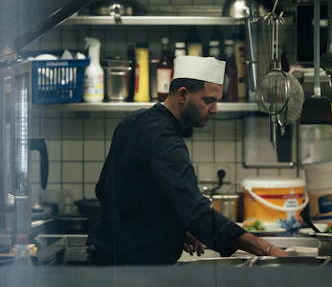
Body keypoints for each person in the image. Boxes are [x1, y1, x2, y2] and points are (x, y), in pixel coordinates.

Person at [86, 56, 288, 265]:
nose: (215, 109)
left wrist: (170, 228)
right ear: (183, 95)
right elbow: (194, 210)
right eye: (209, 100)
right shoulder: (165, 140)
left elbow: (109, 191)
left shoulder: (136, 120)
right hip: (133, 269)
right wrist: (264, 248)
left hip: (108, 258)